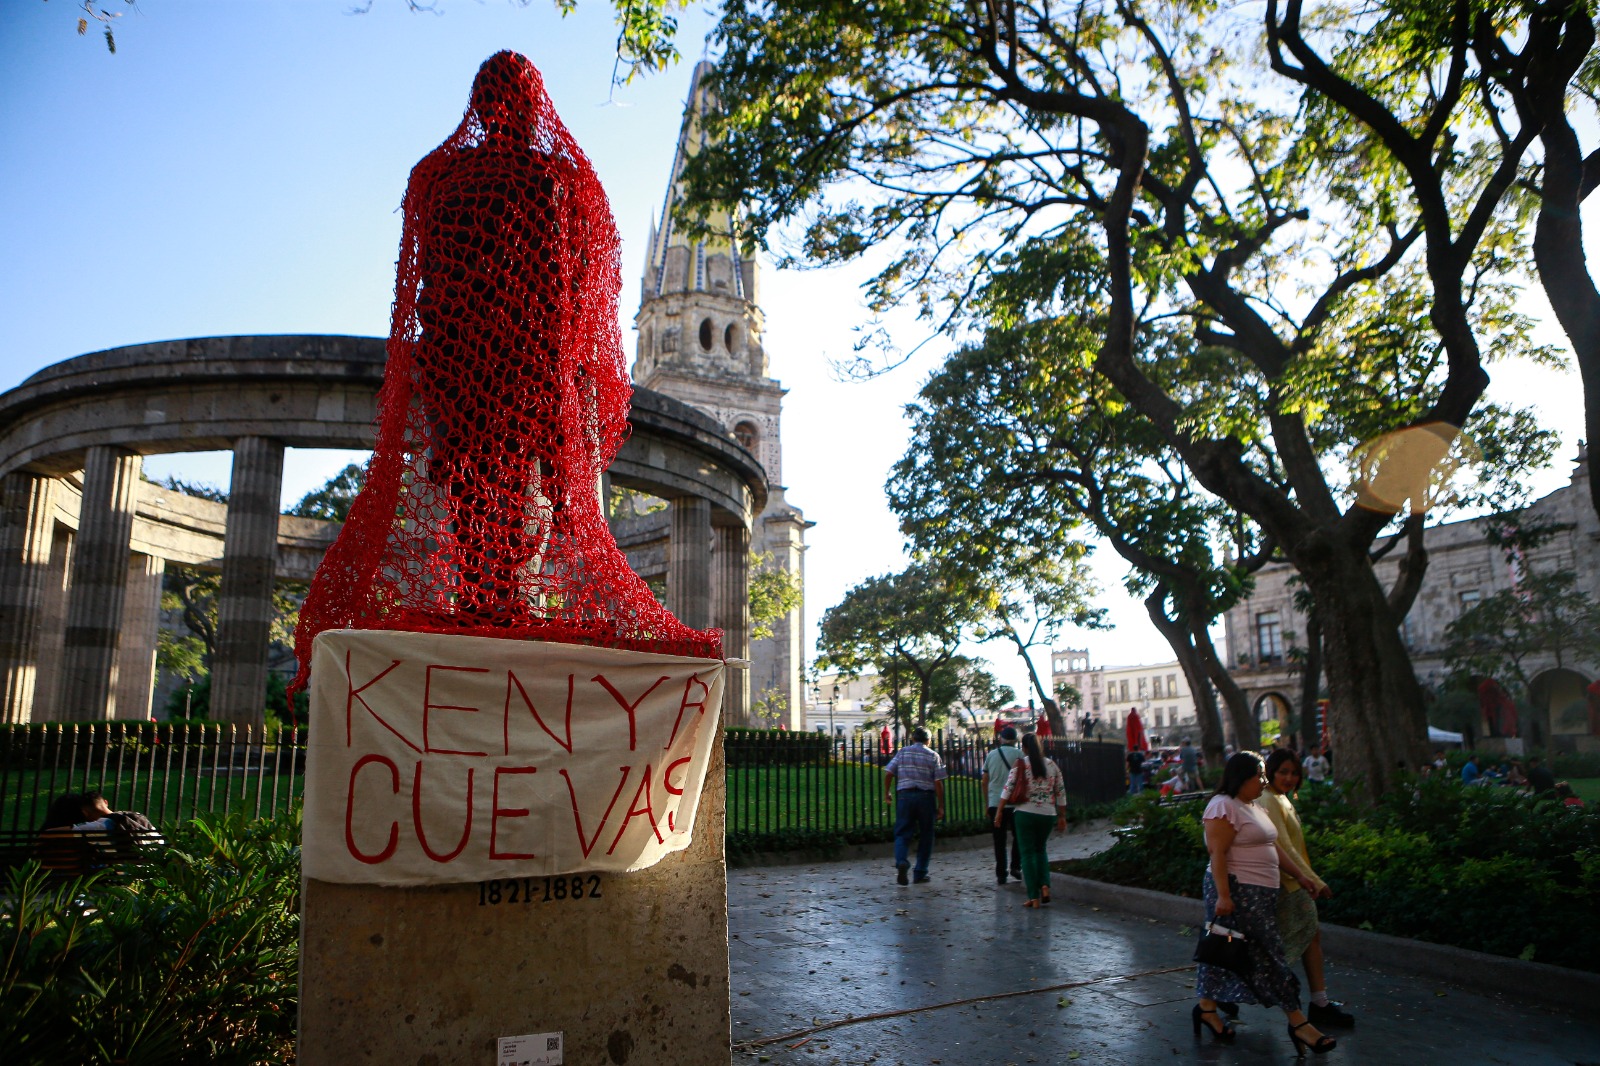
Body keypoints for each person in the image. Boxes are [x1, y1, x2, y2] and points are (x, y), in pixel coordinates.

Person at [1193, 751, 1336, 1056]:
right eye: (1258, 775)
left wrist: (1302, 876)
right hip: (1238, 891)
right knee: (1269, 956)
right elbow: (1217, 854)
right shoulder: (1222, 806)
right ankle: (1298, 1022)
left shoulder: (1253, 805)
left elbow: (1273, 846)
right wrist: (1224, 896)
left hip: (1261, 893)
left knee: (1224, 952)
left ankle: (1206, 1008)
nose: (1264, 780)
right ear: (1240, 777)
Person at [1258, 751, 1356, 1030]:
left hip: (1291, 881)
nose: (1289, 778)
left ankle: (1319, 1003)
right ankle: (1316, 1005)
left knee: (1302, 939)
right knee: (1284, 945)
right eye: (1283, 772)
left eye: (1294, 772)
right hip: (1286, 883)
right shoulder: (1269, 799)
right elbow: (1282, 846)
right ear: (1271, 772)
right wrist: (1310, 878)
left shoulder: (1280, 798)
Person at [994, 732, 1068, 908]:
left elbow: (1008, 788)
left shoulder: (1021, 765)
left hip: (1025, 814)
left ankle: (1033, 896)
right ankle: (1044, 886)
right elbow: (1061, 792)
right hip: (1048, 814)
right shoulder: (1052, 765)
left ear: (1024, 747)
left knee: (1027, 854)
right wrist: (1062, 816)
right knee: (1041, 850)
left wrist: (999, 811)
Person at [883, 727, 947, 885]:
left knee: (902, 832)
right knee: (926, 835)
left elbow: (889, 772)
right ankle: (920, 872)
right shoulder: (933, 755)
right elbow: (938, 782)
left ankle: (901, 861)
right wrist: (941, 806)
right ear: (928, 740)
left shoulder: (903, 752)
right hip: (926, 797)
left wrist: (887, 792)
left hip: (905, 795)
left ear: (912, 738)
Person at [981, 726, 1024, 885]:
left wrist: (987, 802)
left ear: (1001, 739)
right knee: (1018, 835)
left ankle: (1001, 873)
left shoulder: (991, 755)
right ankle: (1015, 866)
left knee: (999, 839)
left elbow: (984, 780)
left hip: (995, 802)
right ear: (1015, 740)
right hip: (1015, 803)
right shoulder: (1020, 755)